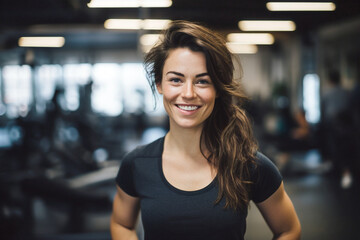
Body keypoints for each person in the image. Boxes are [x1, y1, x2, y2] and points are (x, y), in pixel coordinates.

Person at [111, 20, 301, 240]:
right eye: (176, 80)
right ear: (160, 84)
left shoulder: (249, 165)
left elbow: (289, 229)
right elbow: (121, 223)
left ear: (218, 89)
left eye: (202, 81)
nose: (189, 93)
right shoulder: (136, 164)